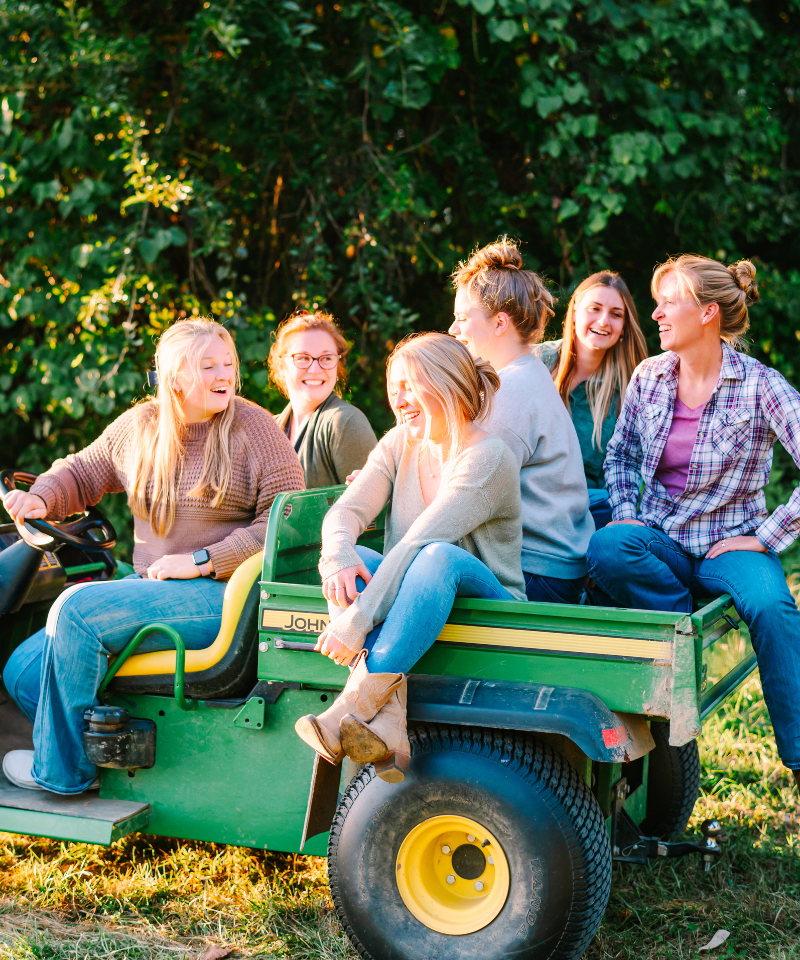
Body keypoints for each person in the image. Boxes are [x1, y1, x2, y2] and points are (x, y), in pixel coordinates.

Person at [2, 318, 304, 795]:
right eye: (208, 365)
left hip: (223, 599)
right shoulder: (142, 425)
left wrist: (205, 559)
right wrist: (41, 498)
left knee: (75, 612)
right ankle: (105, 750)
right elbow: (83, 471)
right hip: (154, 591)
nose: (224, 373)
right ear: (175, 376)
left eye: (227, 363)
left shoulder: (255, 427)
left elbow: (288, 524)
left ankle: (63, 776)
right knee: (21, 669)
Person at [586, 254, 800, 790]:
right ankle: (686, 639)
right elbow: (623, 456)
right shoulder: (650, 375)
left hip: (732, 546)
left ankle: (798, 762)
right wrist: (630, 515)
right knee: (610, 548)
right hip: (660, 541)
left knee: (775, 609)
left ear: (707, 313)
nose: (655, 314)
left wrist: (766, 536)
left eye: (668, 303)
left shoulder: (760, 385)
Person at [294, 332, 525, 783]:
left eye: (409, 386)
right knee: (356, 555)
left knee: (436, 555)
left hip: (489, 604)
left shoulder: (488, 456)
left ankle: (353, 705)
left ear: (446, 384)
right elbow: (347, 511)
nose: (398, 399)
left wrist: (358, 618)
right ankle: (387, 722)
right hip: (415, 599)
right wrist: (336, 556)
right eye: (393, 385)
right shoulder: (399, 443)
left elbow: (419, 543)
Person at [449, 237, 594, 605]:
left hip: (539, 571)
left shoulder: (510, 390)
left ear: (499, 323)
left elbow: (468, 492)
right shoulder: (522, 375)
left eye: (462, 319)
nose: (453, 330)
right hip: (549, 564)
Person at [532, 271, 648, 530]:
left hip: (590, 508)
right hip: (529, 498)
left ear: (624, 327)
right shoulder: (535, 363)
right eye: (594, 309)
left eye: (616, 314)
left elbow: (628, 471)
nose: (604, 321)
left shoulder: (630, 388)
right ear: (574, 313)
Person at [269, 310, 377, 488]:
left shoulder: (345, 423)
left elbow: (374, 510)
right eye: (303, 358)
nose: (315, 369)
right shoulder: (268, 430)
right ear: (281, 364)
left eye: (326, 358)